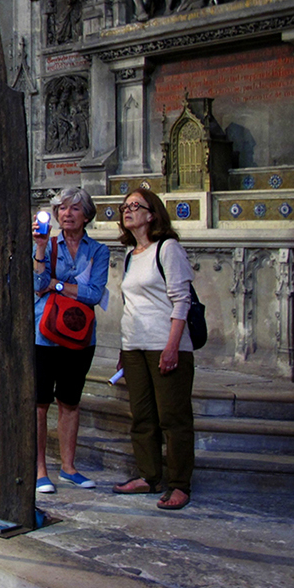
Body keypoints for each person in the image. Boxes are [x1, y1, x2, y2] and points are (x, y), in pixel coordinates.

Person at [114, 188, 196, 511]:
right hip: (134, 345)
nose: (128, 210)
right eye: (126, 206)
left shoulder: (168, 249)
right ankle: (149, 475)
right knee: (143, 415)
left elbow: (181, 300)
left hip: (165, 344)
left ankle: (179, 484)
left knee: (173, 417)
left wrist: (173, 345)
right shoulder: (131, 255)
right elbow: (130, 303)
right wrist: (124, 346)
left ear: (152, 214)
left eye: (136, 206)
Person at [31, 186, 110, 494]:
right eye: (62, 209)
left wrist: (57, 284)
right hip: (45, 333)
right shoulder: (48, 246)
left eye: (74, 208)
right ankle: (40, 469)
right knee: (40, 403)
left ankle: (69, 467)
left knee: (70, 400)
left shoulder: (98, 251)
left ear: (86, 215)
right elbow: (37, 285)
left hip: (79, 334)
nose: (67, 214)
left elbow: (94, 293)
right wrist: (39, 250)